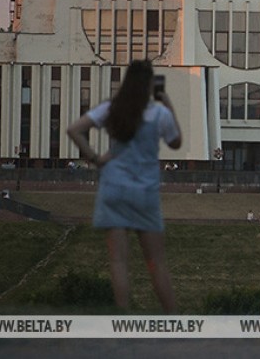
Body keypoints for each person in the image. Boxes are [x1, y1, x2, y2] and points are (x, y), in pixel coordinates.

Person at [66, 60, 182, 312]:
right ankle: (175, 323)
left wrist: (95, 158)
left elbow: (74, 129)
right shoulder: (159, 114)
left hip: (114, 188)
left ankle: (122, 320)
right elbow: (175, 142)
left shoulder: (112, 108)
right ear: (150, 84)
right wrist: (167, 103)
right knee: (156, 262)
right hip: (144, 192)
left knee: (118, 261)